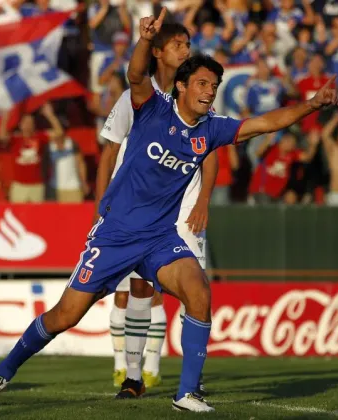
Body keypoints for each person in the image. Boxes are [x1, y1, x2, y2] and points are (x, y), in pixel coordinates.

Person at [0, 9, 338, 413]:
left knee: (198, 292)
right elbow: (134, 76)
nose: (209, 91)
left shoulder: (210, 129)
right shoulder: (151, 106)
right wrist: (144, 40)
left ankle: (186, 393)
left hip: (160, 238)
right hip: (116, 235)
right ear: (181, 86)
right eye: (202, 83)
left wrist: (312, 104)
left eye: (214, 85)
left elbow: (266, 123)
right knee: (64, 316)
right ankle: (0, 374)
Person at [97, 22, 218, 395]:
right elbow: (109, 152)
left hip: (182, 213)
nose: (185, 50)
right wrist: (102, 208)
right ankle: (133, 374)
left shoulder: (200, 93)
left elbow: (211, 150)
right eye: (177, 44)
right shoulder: (136, 97)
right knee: (138, 291)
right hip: (137, 213)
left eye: (187, 44)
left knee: (192, 293)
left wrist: (202, 201)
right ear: (157, 51)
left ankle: (186, 378)